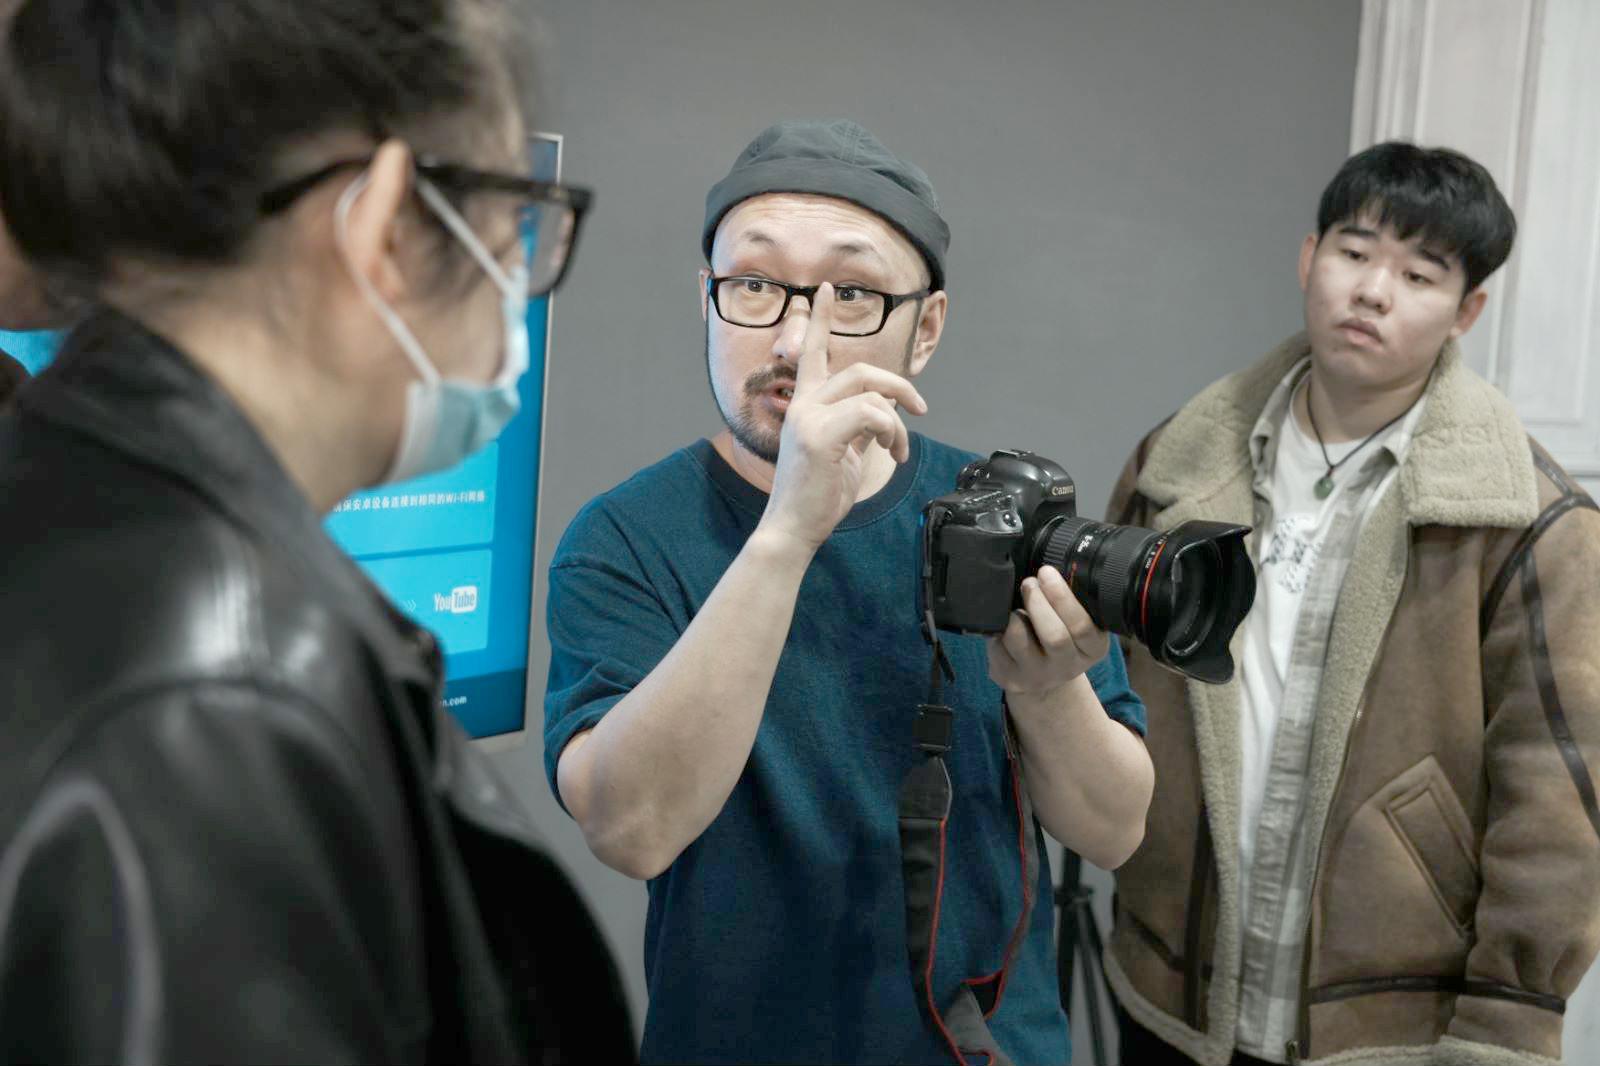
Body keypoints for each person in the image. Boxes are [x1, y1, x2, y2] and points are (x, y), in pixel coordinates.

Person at [0, 1, 631, 1061]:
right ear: (384, 226)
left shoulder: (61, 489)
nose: (515, 279)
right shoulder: (220, 706)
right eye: (510, 218)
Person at [543, 118, 1155, 1065]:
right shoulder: (625, 538)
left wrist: (1046, 689)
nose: (798, 339)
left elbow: (1113, 830)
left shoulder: (992, 511)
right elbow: (631, 831)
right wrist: (787, 533)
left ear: (926, 329)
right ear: (707, 299)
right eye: (755, 285)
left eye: (855, 295)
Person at [1103, 142, 1600, 1065]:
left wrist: (1505, 1028)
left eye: (1419, 274)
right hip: (1170, 993)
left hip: (1390, 1031)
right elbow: (1106, 694)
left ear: (1467, 310)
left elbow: (1558, 798)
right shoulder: (1176, 464)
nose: (1372, 291)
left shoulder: (1532, 521)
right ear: (1310, 257)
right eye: (1355, 251)